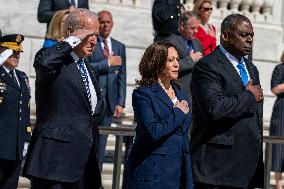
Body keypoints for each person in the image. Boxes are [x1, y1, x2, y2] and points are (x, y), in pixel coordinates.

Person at [22, 9, 103, 189]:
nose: (94, 41)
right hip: (54, 164)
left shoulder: (90, 70)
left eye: (96, 35)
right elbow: (43, 62)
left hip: (83, 166)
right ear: (70, 33)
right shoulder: (53, 62)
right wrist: (71, 41)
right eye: (89, 34)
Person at [190, 14, 264, 188]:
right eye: (243, 35)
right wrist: (249, 96)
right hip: (217, 169)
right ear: (225, 36)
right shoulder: (208, 66)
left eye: (251, 35)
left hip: (247, 168)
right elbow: (214, 109)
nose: (249, 40)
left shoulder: (252, 68)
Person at [123, 42, 194, 189]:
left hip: (179, 171)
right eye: (170, 60)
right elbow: (152, 132)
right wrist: (178, 112)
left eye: (177, 59)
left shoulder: (181, 94)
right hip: (152, 173)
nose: (176, 64)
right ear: (157, 64)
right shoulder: (143, 94)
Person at [87, 10, 126, 170]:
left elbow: (122, 76)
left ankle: (96, 181)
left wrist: (120, 102)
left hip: (109, 104)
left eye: (107, 22)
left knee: (101, 146)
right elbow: (87, 67)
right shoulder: (91, 43)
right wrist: (107, 63)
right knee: (89, 144)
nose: (105, 25)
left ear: (112, 24)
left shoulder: (119, 46)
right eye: (101, 22)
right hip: (92, 102)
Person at [0, 34, 31, 189]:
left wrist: (26, 137)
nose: (17, 55)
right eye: (13, 51)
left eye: (19, 52)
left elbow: (24, 110)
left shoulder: (22, 77)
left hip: (16, 146)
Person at [165, 11, 203, 101]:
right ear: (182, 26)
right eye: (192, 28)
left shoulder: (197, 43)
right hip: (178, 92)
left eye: (197, 28)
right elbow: (167, 66)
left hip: (196, 93)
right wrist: (190, 59)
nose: (196, 31)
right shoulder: (171, 42)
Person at [270, 51, 284, 189]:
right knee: (279, 146)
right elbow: (274, 89)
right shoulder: (280, 68)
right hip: (281, 111)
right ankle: (278, 184)